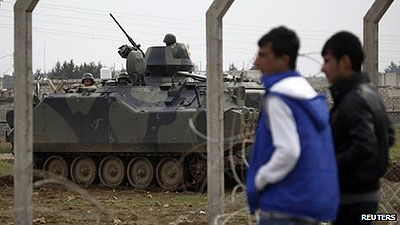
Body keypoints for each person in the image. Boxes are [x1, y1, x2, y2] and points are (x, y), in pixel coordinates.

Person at [246, 26, 339, 225]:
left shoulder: (279, 98)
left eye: (263, 55)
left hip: (282, 206)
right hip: (309, 205)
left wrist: (258, 180)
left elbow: (289, 152)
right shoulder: (308, 96)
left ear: (284, 59)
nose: (256, 62)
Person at [321, 31, 395, 225]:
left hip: (351, 203)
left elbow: (364, 146)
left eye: (327, 61)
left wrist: (328, 164)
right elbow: (389, 136)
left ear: (345, 62)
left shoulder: (352, 100)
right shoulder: (368, 92)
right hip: (366, 196)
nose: (323, 68)